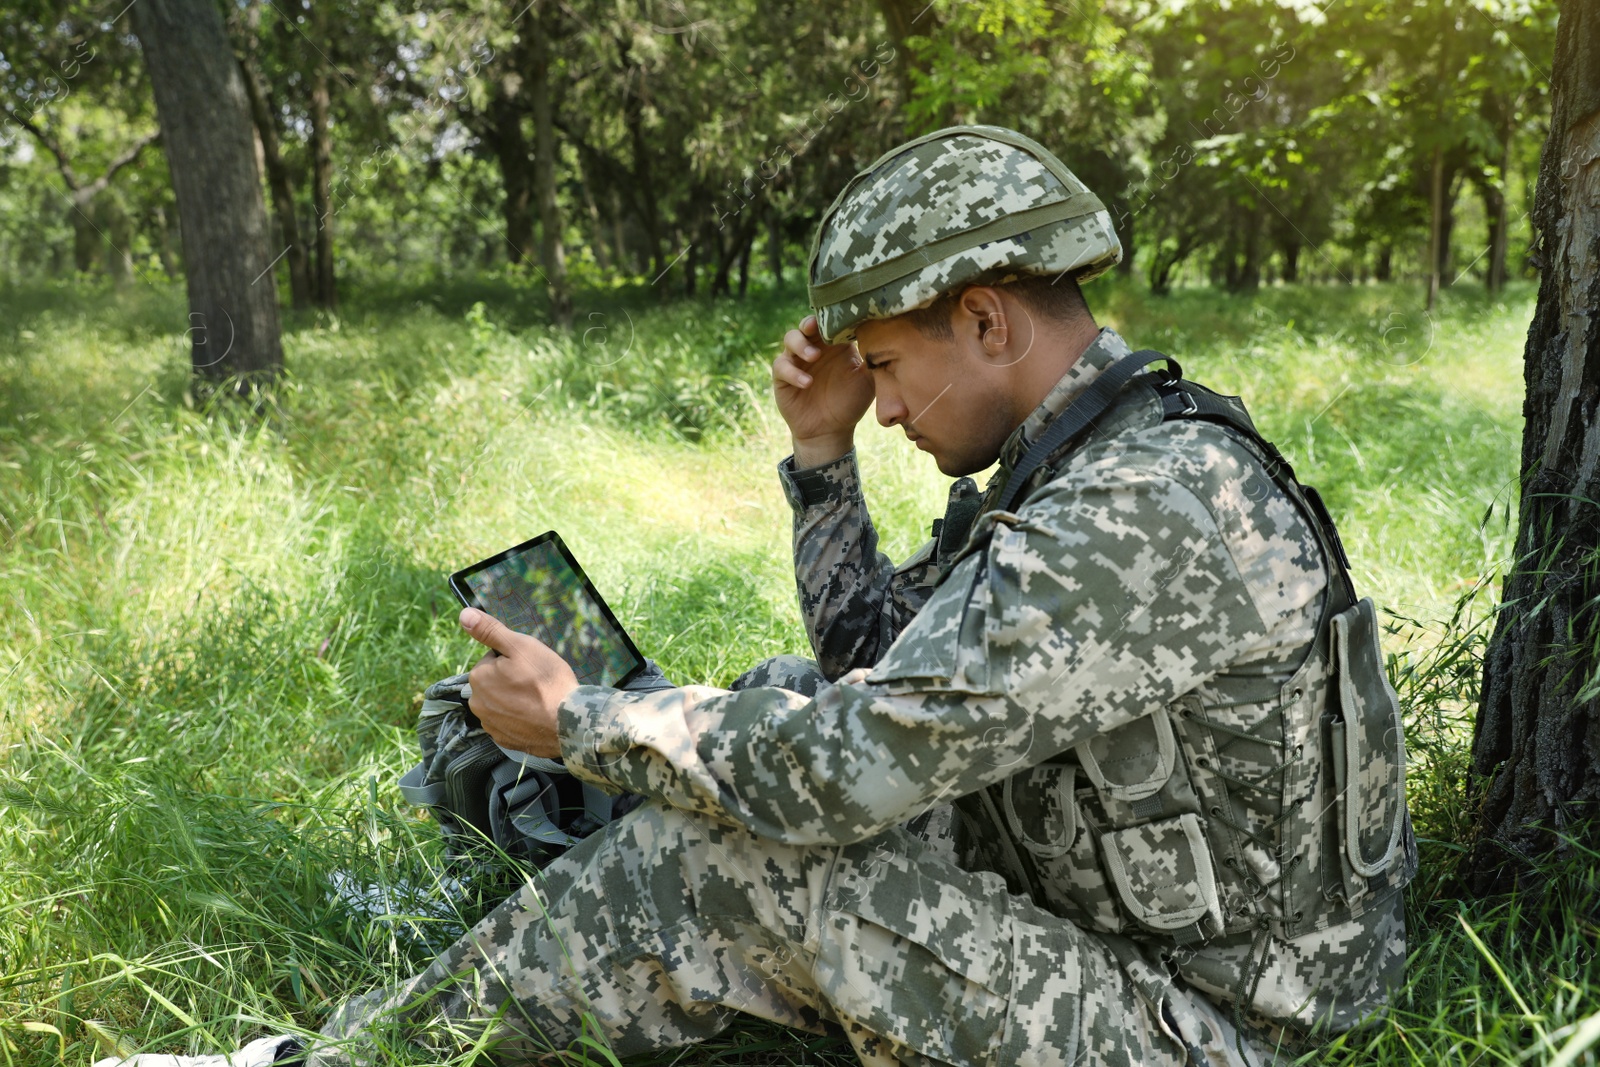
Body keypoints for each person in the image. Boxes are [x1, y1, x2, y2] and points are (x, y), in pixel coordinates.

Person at [101, 125, 1414, 1067]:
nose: (887, 406)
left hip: (1213, 1033)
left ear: (989, 321)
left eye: (890, 368)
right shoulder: (1102, 456)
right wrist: (818, 453)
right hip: (1158, 955)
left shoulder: (1139, 510)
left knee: (730, 866)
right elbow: (867, 675)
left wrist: (583, 723)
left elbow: (852, 764)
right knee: (765, 725)